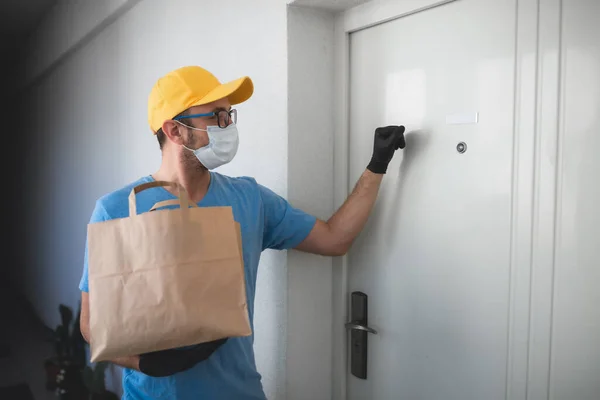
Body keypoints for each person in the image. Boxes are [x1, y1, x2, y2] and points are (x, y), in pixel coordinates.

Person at [78, 65, 405, 399]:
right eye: (217, 117)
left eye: (230, 116)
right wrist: (147, 364)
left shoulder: (250, 199)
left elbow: (335, 239)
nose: (228, 127)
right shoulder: (116, 210)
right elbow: (91, 326)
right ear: (174, 130)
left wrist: (377, 164)